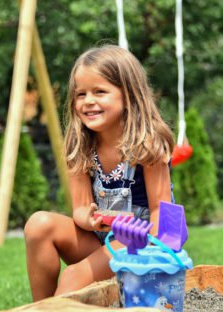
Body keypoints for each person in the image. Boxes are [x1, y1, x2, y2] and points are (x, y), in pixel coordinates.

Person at [23, 45, 175, 301]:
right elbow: (80, 208)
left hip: (139, 241)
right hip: (100, 238)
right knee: (38, 225)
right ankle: (40, 306)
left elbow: (162, 211)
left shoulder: (146, 146)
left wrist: (150, 252)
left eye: (100, 92)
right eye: (80, 94)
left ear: (128, 95)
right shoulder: (80, 146)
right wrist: (91, 219)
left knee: (73, 276)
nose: (88, 101)